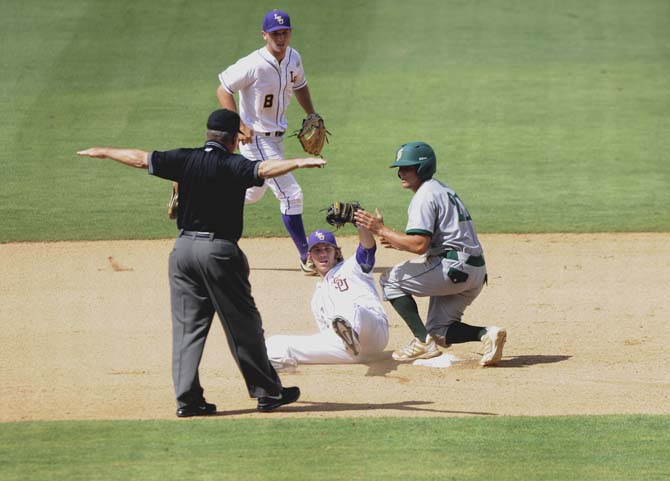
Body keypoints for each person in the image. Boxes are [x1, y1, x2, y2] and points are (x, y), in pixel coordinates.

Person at [77, 109, 326, 416]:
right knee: (243, 325)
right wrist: (299, 162)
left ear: (209, 134)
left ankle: (188, 401)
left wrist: (104, 151)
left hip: (182, 252)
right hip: (218, 253)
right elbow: (264, 169)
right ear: (234, 139)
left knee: (187, 329)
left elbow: (141, 158)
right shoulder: (234, 164)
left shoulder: (184, 158)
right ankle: (267, 393)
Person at [354, 141, 507, 366]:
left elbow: (419, 245)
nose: (401, 173)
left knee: (389, 280)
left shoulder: (424, 196)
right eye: (400, 168)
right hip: (474, 271)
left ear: (422, 168)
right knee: (439, 331)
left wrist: (380, 229)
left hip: (453, 268)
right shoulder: (442, 190)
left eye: (407, 168)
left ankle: (421, 341)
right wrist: (393, 238)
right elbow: (428, 240)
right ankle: (487, 334)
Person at [216, 9, 322, 275]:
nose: (281, 37)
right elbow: (224, 88)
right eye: (275, 33)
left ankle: (199, 192)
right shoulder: (253, 63)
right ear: (264, 35)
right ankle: (305, 256)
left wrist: (311, 113)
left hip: (276, 139)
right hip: (257, 139)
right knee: (291, 195)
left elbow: (300, 85)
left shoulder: (293, 57)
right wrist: (239, 124)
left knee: (252, 193)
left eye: (285, 32)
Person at [266, 226, 389, 368]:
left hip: (374, 333)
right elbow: (326, 335)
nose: (323, 254)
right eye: (317, 250)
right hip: (350, 352)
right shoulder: (316, 299)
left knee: (349, 306)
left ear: (336, 253)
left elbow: (368, 248)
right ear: (310, 256)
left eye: (327, 249)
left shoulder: (352, 268)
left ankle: (351, 336)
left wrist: (361, 225)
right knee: (274, 343)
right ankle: (280, 367)